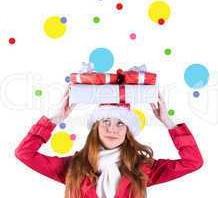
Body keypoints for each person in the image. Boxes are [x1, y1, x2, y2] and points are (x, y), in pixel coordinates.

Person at [15, 85, 204, 198]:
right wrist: (54, 119)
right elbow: (24, 153)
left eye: (120, 123)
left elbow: (193, 161)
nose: (112, 128)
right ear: (95, 127)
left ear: (128, 131)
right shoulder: (73, 167)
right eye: (105, 121)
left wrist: (169, 124)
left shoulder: (143, 169)